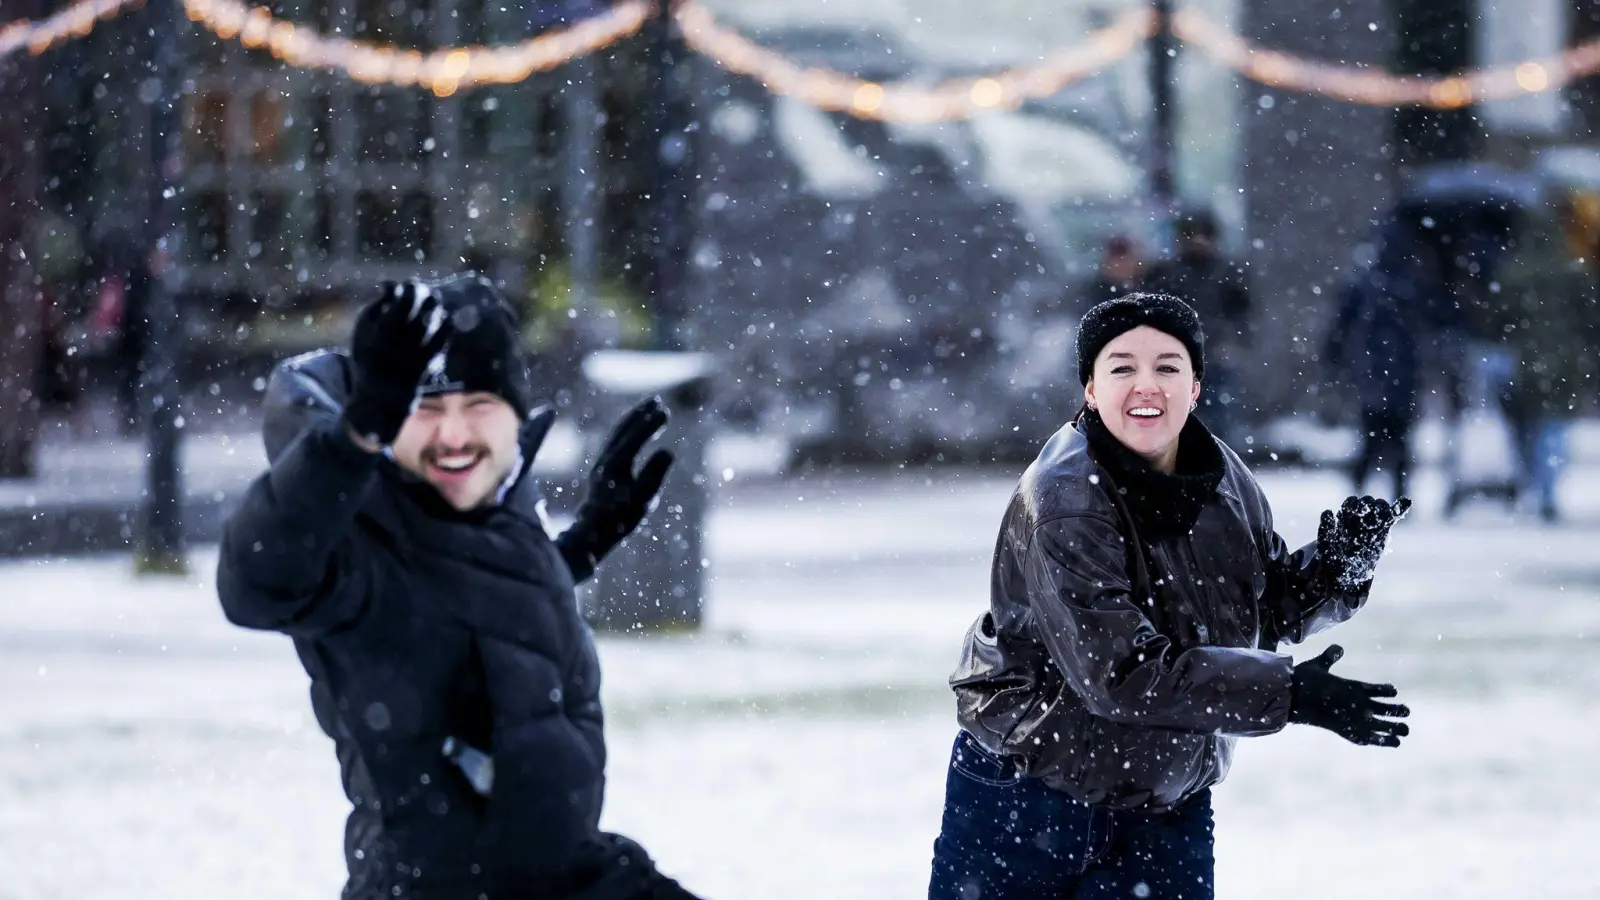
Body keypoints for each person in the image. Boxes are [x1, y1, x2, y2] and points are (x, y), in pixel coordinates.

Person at [216, 274, 703, 900]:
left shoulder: (504, 513)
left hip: (569, 874)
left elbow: (470, 608)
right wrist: (353, 438)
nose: (453, 435)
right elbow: (257, 581)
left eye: (478, 406)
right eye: (426, 409)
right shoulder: (360, 535)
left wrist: (578, 548)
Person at [929, 293, 1412, 900]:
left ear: (1197, 385)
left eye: (1167, 366)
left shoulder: (1224, 480)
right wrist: (1288, 693)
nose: (1145, 386)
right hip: (1032, 793)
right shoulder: (1065, 501)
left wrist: (1339, 567)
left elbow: (1259, 610)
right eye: (1122, 367)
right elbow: (1119, 673)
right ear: (1090, 389)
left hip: (1165, 799)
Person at [1323, 221, 1432, 500]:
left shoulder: (1369, 281)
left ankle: (1368, 491)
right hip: (1393, 367)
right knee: (1392, 437)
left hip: (1377, 367)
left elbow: (1342, 325)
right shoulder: (1409, 281)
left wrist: (1334, 356)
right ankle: (1394, 494)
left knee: (1376, 436)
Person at [1141, 210, 1252, 449]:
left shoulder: (1228, 273)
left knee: (1222, 423)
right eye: (1192, 234)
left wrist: (1233, 343)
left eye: (1205, 234)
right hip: (1178, 358)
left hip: (1216, 356)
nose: (1199, 241)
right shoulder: (1167, 273)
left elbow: (1243, 314)